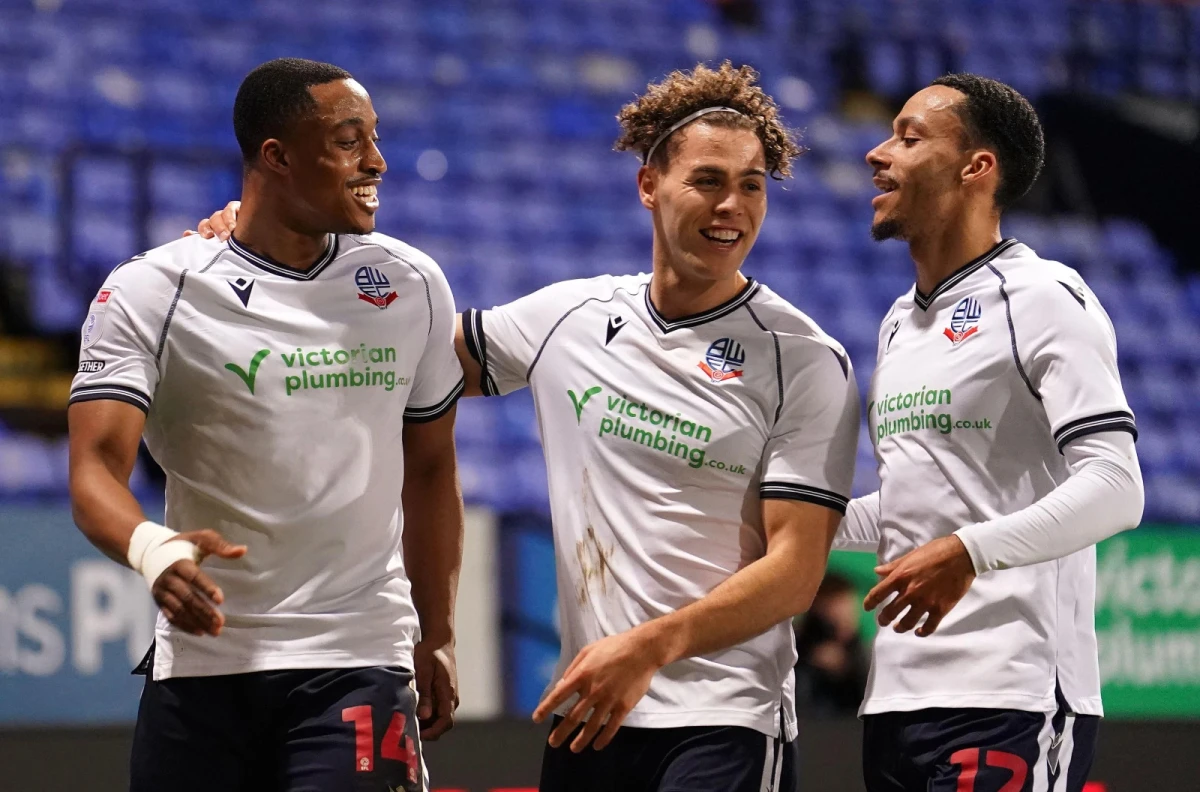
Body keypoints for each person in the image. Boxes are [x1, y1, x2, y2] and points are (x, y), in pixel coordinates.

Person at [197, 61, 860, 792]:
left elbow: (795, 574)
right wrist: (264, 235)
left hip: (723, 721)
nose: (732, 204)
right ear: (648, 186)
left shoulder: (803, 359)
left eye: (752, 184)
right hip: (591, 714)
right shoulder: (569, 320)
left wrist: (646, 648)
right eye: (708, 180)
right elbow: (396, 355)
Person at [69, 57, 465, 792]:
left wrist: (436, 634)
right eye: (349, 140)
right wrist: (153, 549)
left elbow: (434, 466)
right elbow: (93, 471)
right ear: (277, 158)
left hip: (357, 657)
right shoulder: (151, 292)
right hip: (203, 662)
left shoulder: (411, 284)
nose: (376, 160)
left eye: (374, 137)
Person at [836, 74, 1144, 791]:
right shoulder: (896, 323)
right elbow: (922, 506)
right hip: (897, 700)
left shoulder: (1044, 298)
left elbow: (1116, 486)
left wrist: (970, 552)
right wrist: (793, 523)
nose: (878, 154)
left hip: (1012, 694)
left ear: (978, 168)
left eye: (909, 138)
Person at [792, 573, 870, 716]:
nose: (843, 613)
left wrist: (846, 669)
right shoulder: (795, 648)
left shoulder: (863, 653)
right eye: (834, 604)